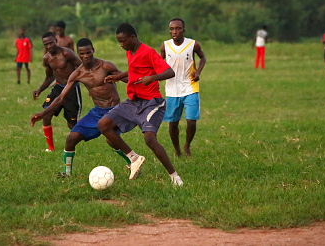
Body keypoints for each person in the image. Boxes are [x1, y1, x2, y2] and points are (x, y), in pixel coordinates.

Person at [31, 38, 136, 176]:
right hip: (97, 111)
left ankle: (133, 162)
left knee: (111, 140)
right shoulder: (78, 74)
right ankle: (66, 173)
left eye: (88, 53)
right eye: (82, 54)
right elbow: (61, 97)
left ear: (93, 51)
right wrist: (43, 114)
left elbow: (128, 79)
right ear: (78, 54)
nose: (86, 56)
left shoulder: (106, 66)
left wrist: (145, 81)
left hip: (114, 110)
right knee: (71, 139)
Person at [97, 23, 183, 186]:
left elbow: (170, 72)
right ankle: (133, 158)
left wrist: (152, 78)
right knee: (103, 125)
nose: (122, 45)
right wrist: (117, 77)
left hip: (152, 102)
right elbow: (134, 71)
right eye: (119, 42)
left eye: (123, 41)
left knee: (149, 139)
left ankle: (174, 177)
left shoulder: (148, 52)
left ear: (133, 37)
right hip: (133, 102)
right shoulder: (130, 51)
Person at [160, 18, 206, 157]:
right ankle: (177, 149)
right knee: (173, 123)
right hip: (172, 89)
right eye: (172, 29)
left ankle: (187, 146)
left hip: (190, 87)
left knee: (191, 121)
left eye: (178, 28)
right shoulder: (165, 46)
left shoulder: (193, 44)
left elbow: (203, 58)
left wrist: (198, 72)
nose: (174, 31)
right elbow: (159, 63)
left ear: (183, 30)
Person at [33, 32, 82, 152]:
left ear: (56, 40)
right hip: (58, 88)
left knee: (72, 125)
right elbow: (49, 77)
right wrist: (39, 90)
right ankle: (50, 148)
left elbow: (82, 67)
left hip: (71, 89)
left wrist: (91, 85)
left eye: (51, 42)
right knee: (46, 114)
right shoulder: (47, 58)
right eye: (46, 44)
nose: (49, 46)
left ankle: (80, 139)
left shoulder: (67, 53)